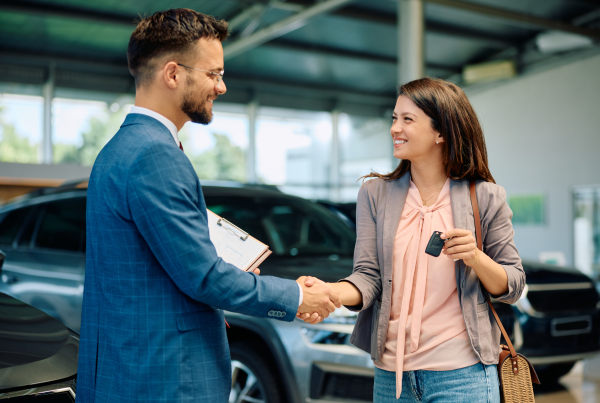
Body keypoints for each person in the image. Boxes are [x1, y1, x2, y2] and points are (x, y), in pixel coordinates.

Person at [76, 9, 339, 403]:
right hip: (165, 377)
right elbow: (204, 278)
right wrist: (297, 298)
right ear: (173, 74)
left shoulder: (117, 149)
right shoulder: (155, 156)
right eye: (213, 74)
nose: (222, 87)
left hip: (128, 369)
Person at [299, 77, 525, 402]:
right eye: (394, 118)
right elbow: (368, 276)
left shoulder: (486, 197)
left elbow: (514, 285)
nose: (395, 128)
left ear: (441, 132)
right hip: (391, 378)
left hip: (462, 375)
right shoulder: (375, 194)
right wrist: (330, 292)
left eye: (408, 119)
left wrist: (475, 257)